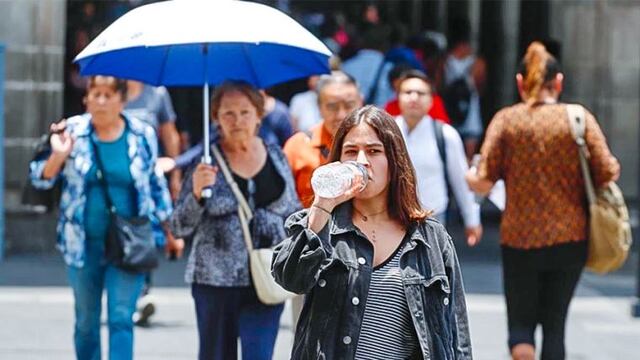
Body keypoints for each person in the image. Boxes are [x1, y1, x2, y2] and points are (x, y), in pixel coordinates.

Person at [272, 105, 472, 359]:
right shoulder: (321, 223)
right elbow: (292, 279)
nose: (362, 162)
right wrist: (322, 207)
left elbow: (457, 332)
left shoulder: (430, 238)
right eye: (351, 151)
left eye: (374, 151)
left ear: (394, 160)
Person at [465, 42, 620, 360]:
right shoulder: (579, 119)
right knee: (555, 325)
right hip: (571, 237)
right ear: (559, 82)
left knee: (520, 328)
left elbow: (483, 180)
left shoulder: (507, 121)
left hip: (520, 239)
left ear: (521, 83)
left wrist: (465, 174)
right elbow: (607, 171)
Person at [29, 76, 174, 360]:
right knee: (86, 322)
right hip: (83, 245)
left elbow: (155, 186)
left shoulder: (141, 134)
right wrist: (58, 156)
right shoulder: (71, 131)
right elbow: (40, 180)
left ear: (123, 99)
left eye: (109, 94)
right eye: (95, 94)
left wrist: (170, 231)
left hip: (128, 244)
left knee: (121, 318)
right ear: (86, 99)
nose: (101, 101)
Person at [169, 80, 301, 360]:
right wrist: (195, 193)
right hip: (215, 281)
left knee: (260, 354)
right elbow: (179, 225)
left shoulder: (276, 156)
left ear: (258, 114)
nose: (237, 120)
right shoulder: (204, 162)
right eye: (228, 113)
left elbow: (293, 212)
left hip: (268, 276)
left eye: (245, 112)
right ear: (215, 117)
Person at [396, 69, 482, 246]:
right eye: (408, 92)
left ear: (431, 100)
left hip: (433, 218)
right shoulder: (386, 132)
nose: (414, 97)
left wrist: (471, 219)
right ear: (398, 97)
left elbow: (460, 179)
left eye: (420, 93)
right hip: (392, 217)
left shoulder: (445, 134)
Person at [283, 71, 363, 208]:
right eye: (332, 107)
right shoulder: (297, 146)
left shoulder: (376, 145)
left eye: (349, 105)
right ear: (319, 108)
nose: (341, 115)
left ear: (361, 103)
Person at [442, 18, 486, 161]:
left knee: (448, 154)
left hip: (448, 111)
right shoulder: (477, 62)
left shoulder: (444, 61)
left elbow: (438, 85)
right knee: (468, 157)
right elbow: (480, 88)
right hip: (470, 114)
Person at [384, 63, 451, 123]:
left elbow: (442, 123)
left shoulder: (435, 102)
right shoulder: (390, 107)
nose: (413, 98)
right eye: (406, 92)